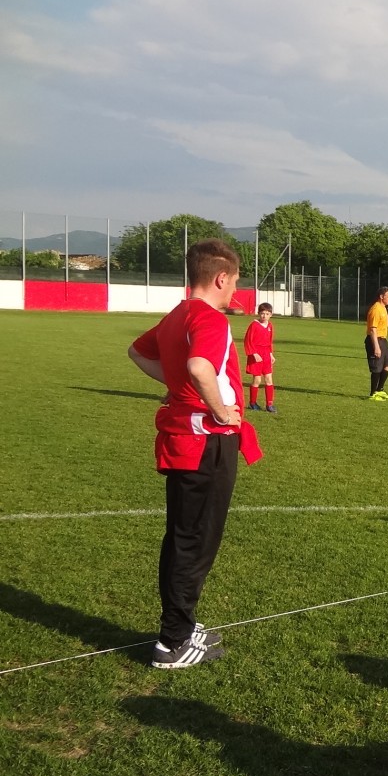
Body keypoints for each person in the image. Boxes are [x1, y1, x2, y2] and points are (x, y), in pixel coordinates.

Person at [127, 238, 263, 669]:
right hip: (207, 441)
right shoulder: (209, 318)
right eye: (235, 281)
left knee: (184, 536)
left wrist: (179, 390)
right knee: (195, 541)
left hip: (187, 440)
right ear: (221, 278)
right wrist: (220, 410)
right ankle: (173, 642)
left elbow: (137, 352)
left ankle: (181, 625)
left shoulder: (179, 314)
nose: (236, 290)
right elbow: (199, 366)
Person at [243, 302, 277, 413]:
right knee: (257, 379)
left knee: (269, 378)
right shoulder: (254, 325)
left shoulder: (270, 326)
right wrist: (254, 354)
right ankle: (252, 403)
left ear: (271, 315)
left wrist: (271, 354)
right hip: (256, 354)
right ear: (258, 313)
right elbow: (248, 340)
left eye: (267, 314)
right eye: (262, 313)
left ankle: (269, 404)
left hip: (266, 354)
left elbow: (269, 342)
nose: (264, 316)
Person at [365, 286, 388, 401]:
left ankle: (380, 389)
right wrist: (376, 347)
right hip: (375, 340)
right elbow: (373, 329)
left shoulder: (383, 308)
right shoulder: (376, 309)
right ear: (382, 297)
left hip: (383, 340)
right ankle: (373, 393)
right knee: (377, 367)